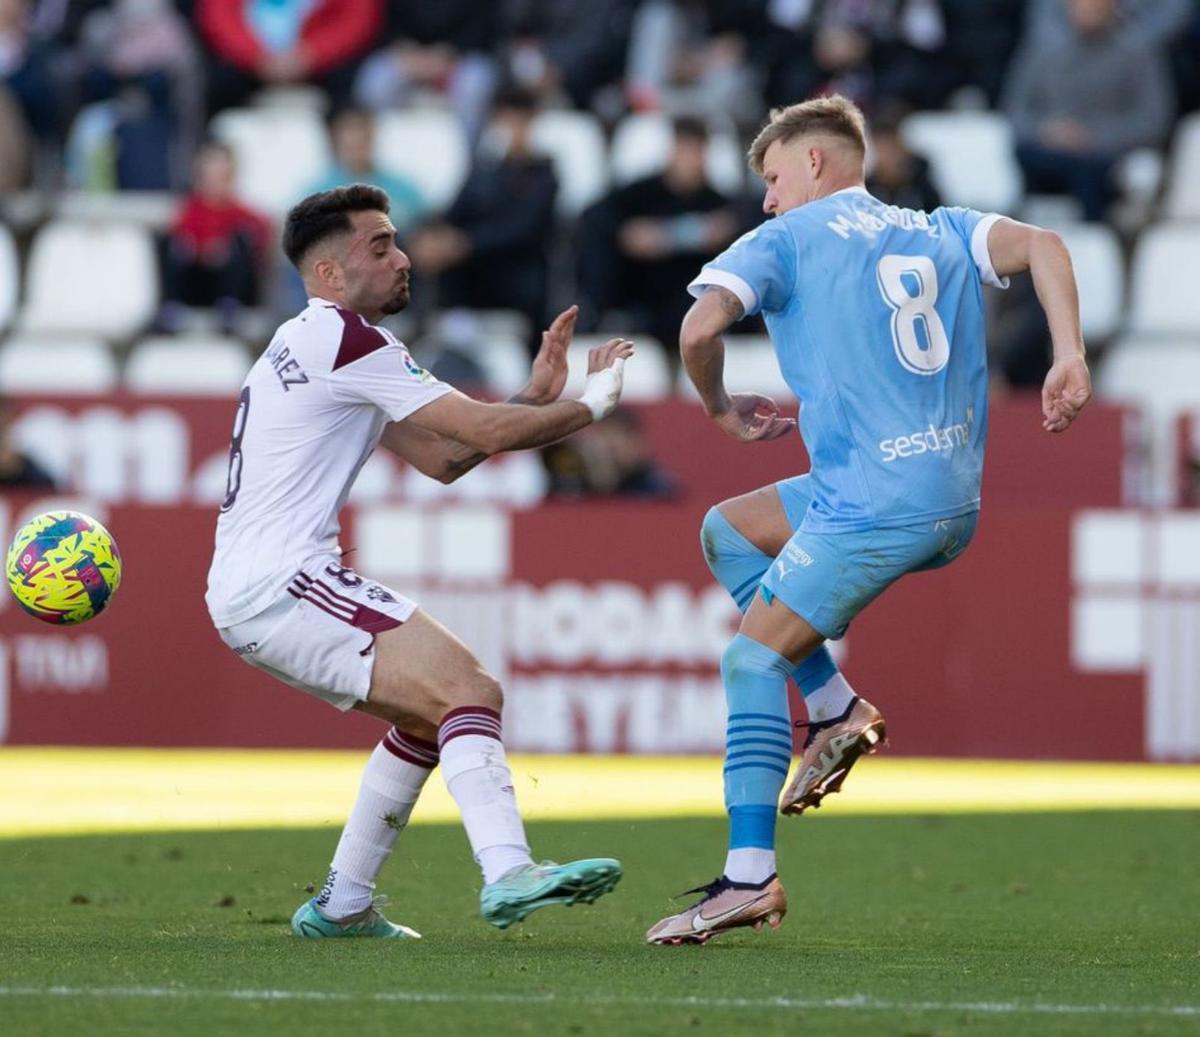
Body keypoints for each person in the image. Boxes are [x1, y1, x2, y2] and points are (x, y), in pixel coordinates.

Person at [646, 95, 1092, 945]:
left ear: (814, 163)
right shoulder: (941, 227)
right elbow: (1047, 244)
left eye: (774, 178)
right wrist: (1069, 353)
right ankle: (834, 706)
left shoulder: (781, 240)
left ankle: (749, 878)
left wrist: (715, 408)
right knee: (729, 530)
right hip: (942, 497)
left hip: (876, 504)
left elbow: (698, 327)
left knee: (747, 661)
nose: (768, 199)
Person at [205, 184, 632, 940]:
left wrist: (534, 393)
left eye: (396, 241)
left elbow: (445, 456)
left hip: (256, 586)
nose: (403, 258)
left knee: (437, 713)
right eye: (380, 246)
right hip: (283, 581)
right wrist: (593, 403)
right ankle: (508, 870)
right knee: (470, 687)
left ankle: (341, 906)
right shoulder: (347, 340)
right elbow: (487, 434)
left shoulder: (312, 341)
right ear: (330, 273)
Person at [1003, 0, 1174, 222]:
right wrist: (1047, 131)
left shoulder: (1137, 52)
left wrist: (1093, 137)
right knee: (1024, 157)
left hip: (1107, 157)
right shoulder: (1043, 50)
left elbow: (1152, 120)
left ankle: (1094, 235)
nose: (1086, 9)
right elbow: (1015, 110)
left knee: (1089, 171)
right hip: (1047, 153)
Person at [578, 115, 738, 352]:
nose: (691, 160)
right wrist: (628, 235)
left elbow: (727, 230)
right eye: (685, 150)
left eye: (697, 151)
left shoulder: (718, 203)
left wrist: (666, 238)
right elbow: (597, 219)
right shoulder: (637, 195)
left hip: (689, 296)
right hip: (640, 293)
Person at [160, 141, 272, 331]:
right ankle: (173, 306)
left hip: (229, 283)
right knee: (173, 244)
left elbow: (261, 234)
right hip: (197, 281)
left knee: (241, 240)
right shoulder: (189, 210)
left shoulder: (242, 212)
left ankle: (230, 306)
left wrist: (224, 249)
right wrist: (203, 250)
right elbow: (181, 238)